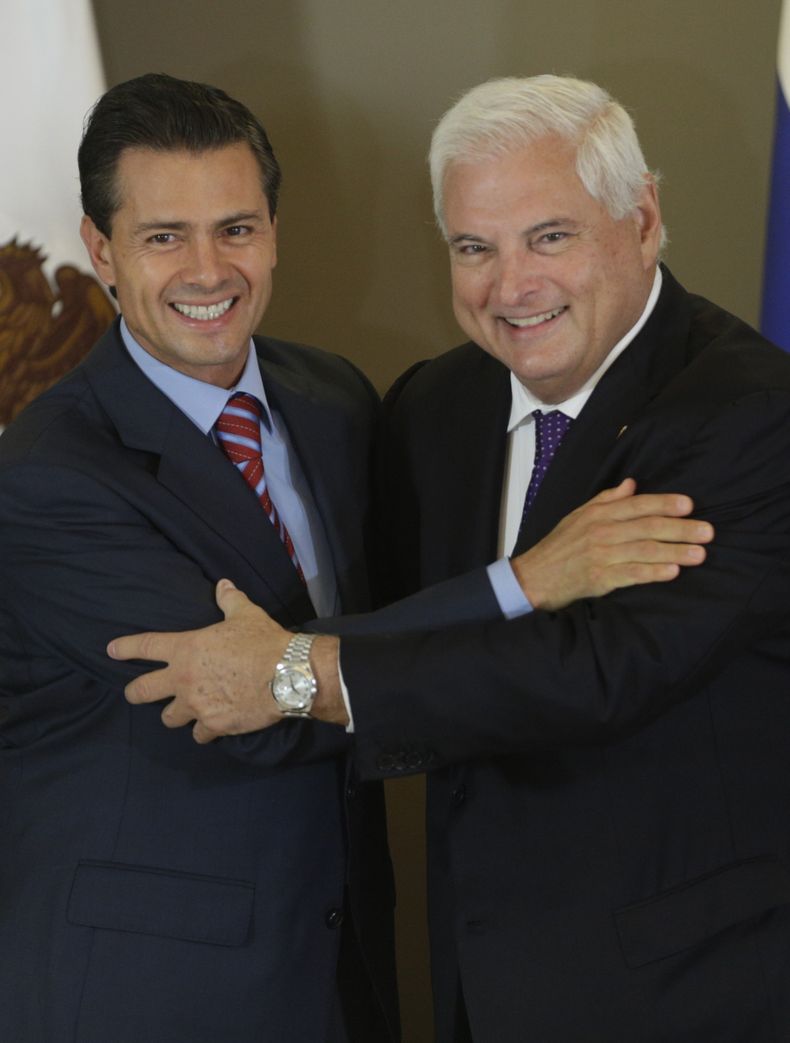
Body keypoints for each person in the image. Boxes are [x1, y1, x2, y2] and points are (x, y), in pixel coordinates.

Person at [0, 72, 709, 1043]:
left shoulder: (333, 399)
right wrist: (528, 580)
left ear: (274, 233)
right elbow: (247, 707)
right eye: (164, 237)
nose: (208, 270)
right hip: (148, 992)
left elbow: (388, 634)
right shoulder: (47, 475)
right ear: (101, 250)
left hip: (343, 969)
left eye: (236, 228)